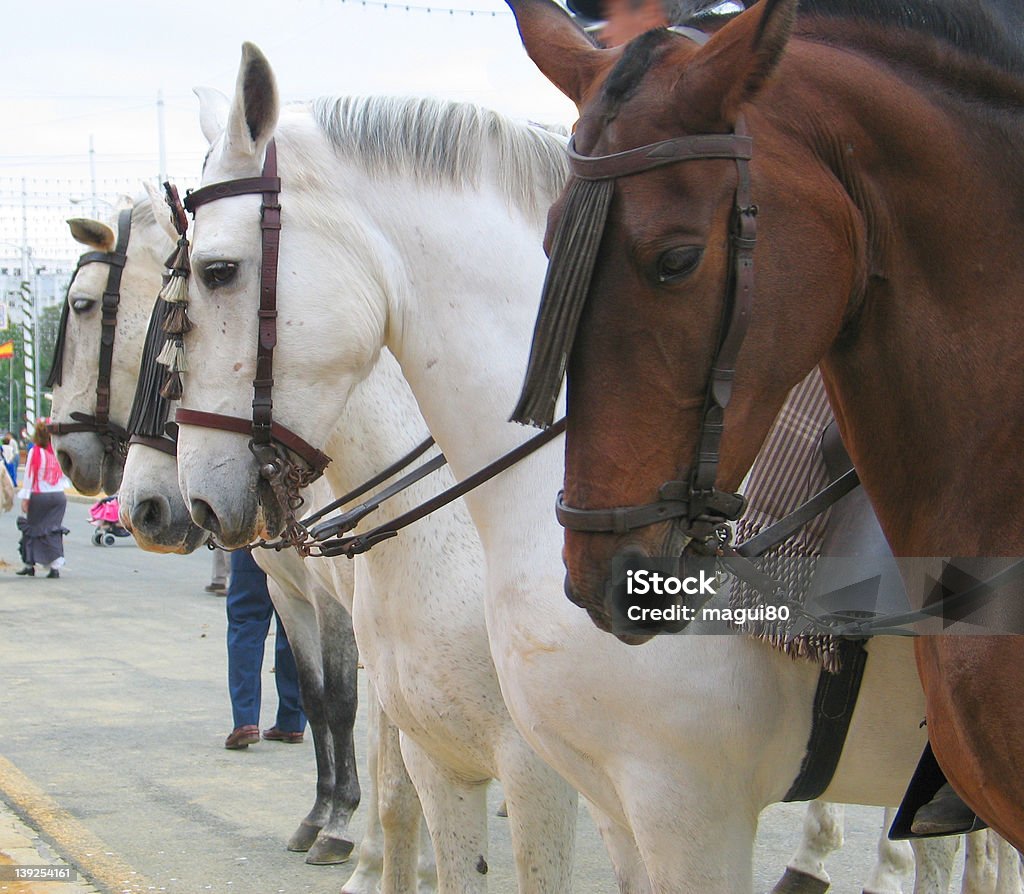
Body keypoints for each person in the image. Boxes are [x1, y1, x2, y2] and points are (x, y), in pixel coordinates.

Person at [223, 548, 307, 749]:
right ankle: (292, 720)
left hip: (252, 537)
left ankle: (245, 721)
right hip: (293, 536)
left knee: (246, 621)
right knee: (293, 623)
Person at [15, 419, 68, 579]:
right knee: (53, 530)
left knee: (32, 529)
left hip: (40, 496)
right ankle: (55, 567)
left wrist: (25, 498)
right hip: (58, 496)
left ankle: (29, 565)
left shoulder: (35, 452)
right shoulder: (57, 452)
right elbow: (64, 476)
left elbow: (29, 477)